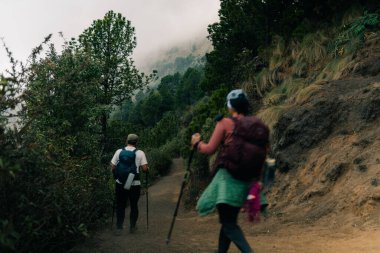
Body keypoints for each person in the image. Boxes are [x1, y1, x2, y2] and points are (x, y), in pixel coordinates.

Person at [191, 89, 255, 253]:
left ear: (230, 106)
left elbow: (209, 149)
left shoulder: (225, 123)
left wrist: (197, 143)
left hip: (227, 179)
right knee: (228, 220)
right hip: (245, 178)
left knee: (228, 223)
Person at [111, 134, 148, 235]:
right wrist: (146, 169)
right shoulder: (140, 153)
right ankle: (132, 227)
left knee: (120, 205)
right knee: (134, 205)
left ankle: (119, 228)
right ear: (136, 142)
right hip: (134, 183)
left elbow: (113, 167)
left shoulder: (119, 151)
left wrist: (117, 177)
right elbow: (144, 169)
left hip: (120, 183)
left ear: (126, 141)